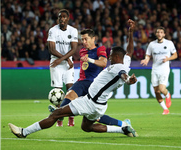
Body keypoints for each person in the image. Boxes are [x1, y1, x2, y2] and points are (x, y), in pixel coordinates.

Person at [8, 19, 138, 138]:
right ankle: (123, 129)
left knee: (55, 115)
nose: (109, 57)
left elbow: (123, 75)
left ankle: (23, 132)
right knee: (86, 127)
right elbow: (130, 51)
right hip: (100, 105)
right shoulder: (125, 63)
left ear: (116, 57)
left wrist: (128, 80)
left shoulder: (117, 68)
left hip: (89, 102)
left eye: (111, 55)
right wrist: (131, 33)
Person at [49, 27, 132, 128]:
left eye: (86, 39)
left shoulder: (100, 49)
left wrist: (90, 59)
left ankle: (123, 124)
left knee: (95, 116)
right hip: (83, 82)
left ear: (93, 39)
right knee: (70, 95)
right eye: (82, 39)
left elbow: (103, 63)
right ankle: (59, 114)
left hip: (95, 85)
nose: (83, 42)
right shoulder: (82, 51)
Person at [47, 9, 78, 124]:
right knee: (58, 91)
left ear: (68, 18)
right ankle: (59, 118)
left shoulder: (73, 31)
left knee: (70, 89)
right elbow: (51, 49)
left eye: (64, 17)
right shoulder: (53, 30)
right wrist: (63, 59)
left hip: (67, 63)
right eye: (60, 17)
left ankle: (71, 116)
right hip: (56, 63)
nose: (62, 19)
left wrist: (64, 60)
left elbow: (74, 49)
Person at [140, 26, 178, 115]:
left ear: (164, 34)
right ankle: (165, 109)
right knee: (156, 91)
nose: (159, 34)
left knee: (161, 89)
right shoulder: (152, 44)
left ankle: (167, 95)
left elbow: (175, 55)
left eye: (161, 32)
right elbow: (148, 55)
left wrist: (168, 59)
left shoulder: (169, 43)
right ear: (156, 34)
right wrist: (146, 60)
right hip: (155, 69)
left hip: (164, 69)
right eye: (158, 32)